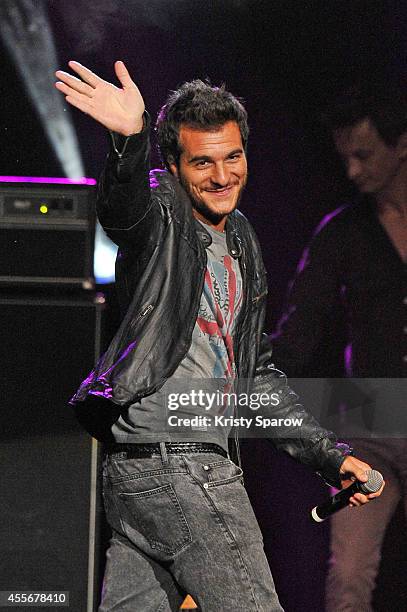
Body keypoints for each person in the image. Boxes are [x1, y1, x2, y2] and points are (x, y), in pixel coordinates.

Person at [55, 62, 383, 612]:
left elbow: (254, 375)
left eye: (233, 157)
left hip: (139, 477)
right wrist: (129, 140)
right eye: (202, 161)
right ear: (176, 168)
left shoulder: (241, 242)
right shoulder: (161, 213)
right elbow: (124, 212)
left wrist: (328, 457)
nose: (222, 175)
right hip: (184, 466)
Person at [272, 84, 407, 611]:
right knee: (348, 573)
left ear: (402, 146)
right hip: (368, 425)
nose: (351, 171)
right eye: (344, 157)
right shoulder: (341, 233)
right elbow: (298, 332)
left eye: (363, 154)